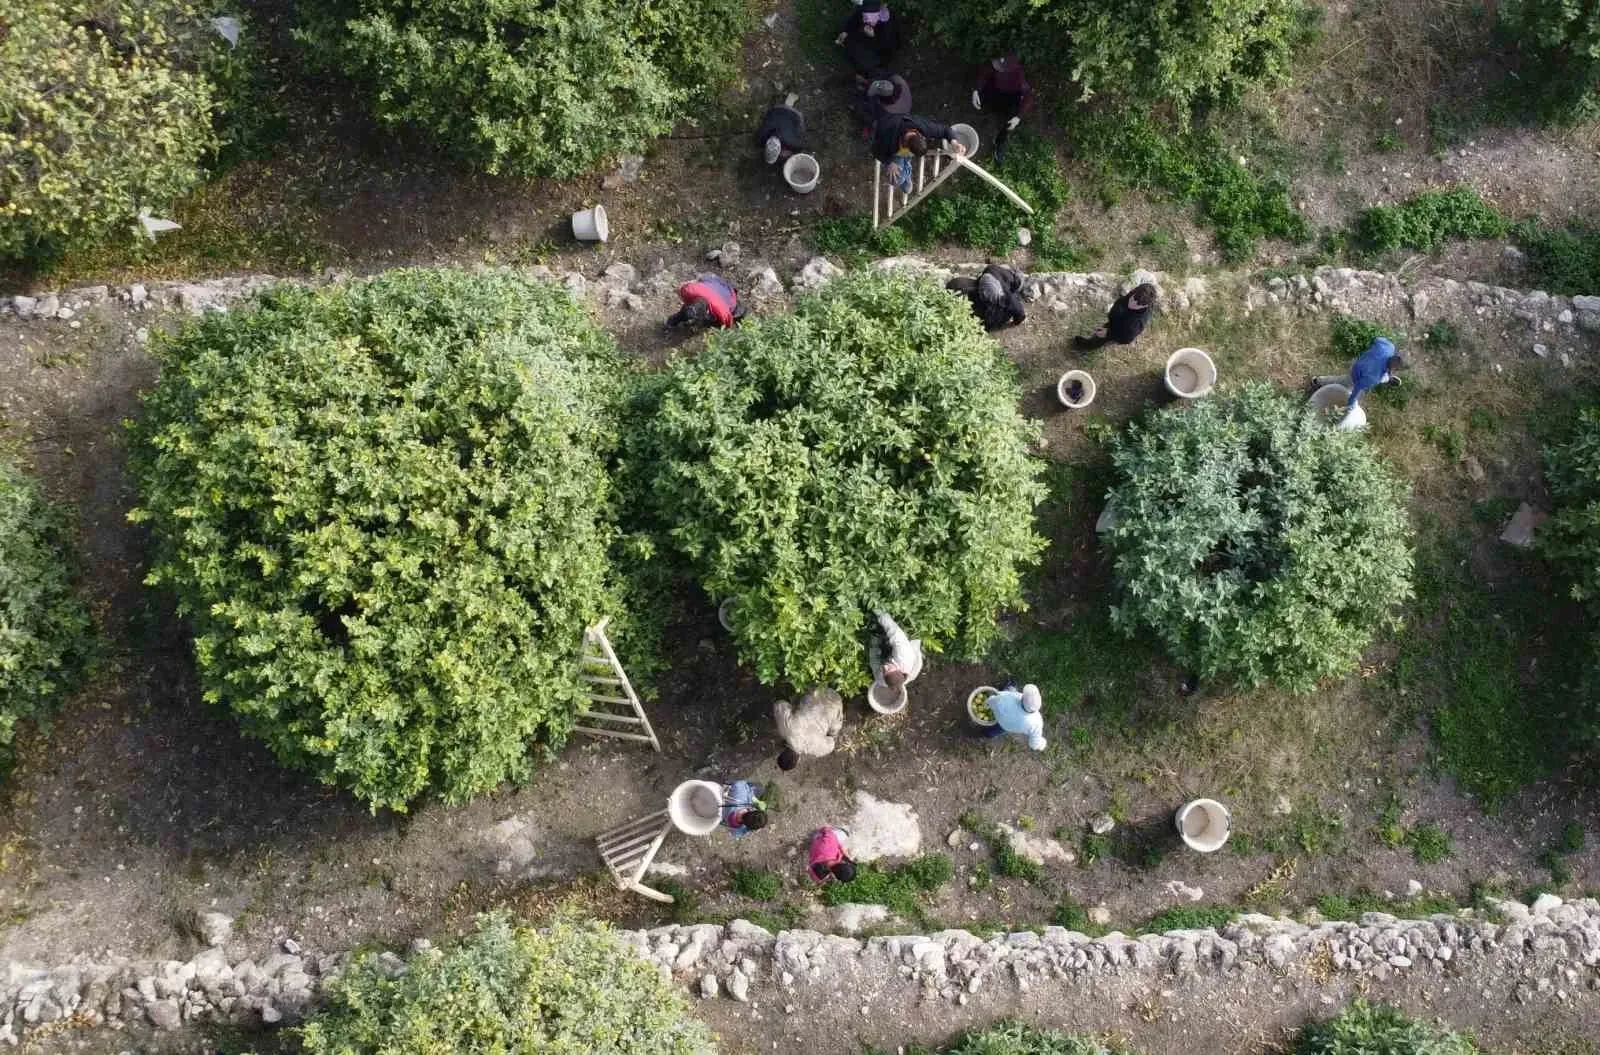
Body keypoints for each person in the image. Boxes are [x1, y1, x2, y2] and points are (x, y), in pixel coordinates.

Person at [872, 112, 965, 194]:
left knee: (898, 176)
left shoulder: (921, 128)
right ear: (905, 147)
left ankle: (906, 173)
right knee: (894, 180)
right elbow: (875, 151)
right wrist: (890, 161)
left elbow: (945, 129)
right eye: (911, 154)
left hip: (900, 146)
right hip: (890, 149)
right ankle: (906, 173)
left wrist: (954, 143)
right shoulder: (888, 138)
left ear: (920, 135)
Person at [972, 54, 1034, 164]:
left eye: (1001, 68)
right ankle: (987, 108)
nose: (997, 68)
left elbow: (1028, 98)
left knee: (1011, 119)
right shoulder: (995, 67)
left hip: (1008, 97)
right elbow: (985, 72)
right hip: (994, 90)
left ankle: (1000, 142)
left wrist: (1018, 117)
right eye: (998, 66)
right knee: (985, 91)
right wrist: (976, 89)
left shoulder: (1019, 78)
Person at [1311, 336, 1404, 408]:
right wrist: (1350, 405)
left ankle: (1388, 378)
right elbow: (1357, 389)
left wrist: (1370, 354)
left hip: (1360, 361)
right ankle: (1317, 381)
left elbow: (1376, 339)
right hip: (1355, 376)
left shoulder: (1389, 347)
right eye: (1396, 369)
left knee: (1383, 377)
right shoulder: (1374, 377)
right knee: (1341, 382)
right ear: (1396, 368)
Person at [1072, 283, 1157, 351]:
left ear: (1145, 306)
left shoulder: (1136, 324)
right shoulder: (1138, 294)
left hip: (1120, 331)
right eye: (1133, 298)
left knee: (1100, 338)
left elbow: (1126, 339)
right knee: (1103, 330)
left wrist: (1109, 333)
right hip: (1116, 320)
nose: (1132, 304)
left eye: (1138, 305)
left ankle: (1087, 345)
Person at [774, 687, 845, 770]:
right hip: (817, 689)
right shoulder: (786, 730)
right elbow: (779, 704)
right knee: (796, 703)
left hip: (836, 700)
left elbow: (831, 743)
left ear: (798, 760)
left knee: (834, 731)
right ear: (782, 752)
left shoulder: (817, 749)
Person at [946, 264, 1028, 331]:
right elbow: (1020, 314)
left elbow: (1020, 315)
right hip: (988, 289)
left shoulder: (995, 268)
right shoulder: (1008, 294)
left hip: (986, 283)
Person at [868, 610, 923, 705]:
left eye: (885, 672)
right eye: (889, 669)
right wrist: (881, 614)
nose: (885, 667)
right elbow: (894, 631)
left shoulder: (880, 679)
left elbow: (874, 660)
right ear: (899, 668)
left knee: (880, 644)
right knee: (901, 631)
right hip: (909, 649)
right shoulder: (904, 655)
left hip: (895, 659)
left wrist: (874, 639)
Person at [837, 0, 901, 79]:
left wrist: (873, 37)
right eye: (865, 17)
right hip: (864, 43)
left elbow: (889, 46)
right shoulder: (861, 11)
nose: (866, 21)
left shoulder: (887, 23)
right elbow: (852, 21)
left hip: (880, 52)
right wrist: (845, 31)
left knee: (870, 62)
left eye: (869, 18)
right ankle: (859, 69)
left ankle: (872, 72)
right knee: (849, 41)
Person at [976, 683, 1046, 751]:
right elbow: (1034, 742)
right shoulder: (1037, 722)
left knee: (1010, 690)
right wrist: (1040, 744)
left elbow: (993, 701)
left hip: (1000, 716)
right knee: (996, 730)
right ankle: (987, 734)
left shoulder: (1009, 699)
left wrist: (987, 702)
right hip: (1007, 726)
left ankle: (1010, 687)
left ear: (1022, 699)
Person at [667, 274, 746, 330]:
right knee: (684, 313)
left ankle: (694, 321)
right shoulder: (691, 290)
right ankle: (673, 322)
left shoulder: (722, 307)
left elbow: (727, 322)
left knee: (737, 311)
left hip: (721, 293)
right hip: (710, 284)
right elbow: (681, 288)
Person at [756, 94, 805, 167]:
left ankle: (788, 105)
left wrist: (789, 153)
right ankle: (788, 104)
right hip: (775, 110)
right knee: (781, 121)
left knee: (798, 128)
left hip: (795, 115)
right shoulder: (760, 137)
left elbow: (800, 147)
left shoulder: (793, 143)